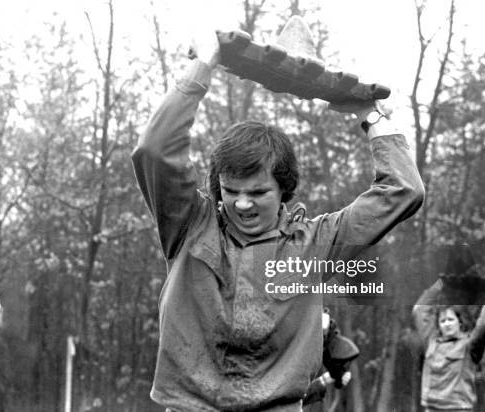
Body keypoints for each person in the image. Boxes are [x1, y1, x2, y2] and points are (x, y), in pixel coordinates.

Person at [131, 32, 424, 411]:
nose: (242, 204)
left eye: (258, 193)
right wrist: (202, 66)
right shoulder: (188, 225)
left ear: (284, 189)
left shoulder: (316, 243)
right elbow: (154, 151)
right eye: (230, 190)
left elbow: (403, 191)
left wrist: (369, 115)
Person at [413, 280, 485, 411]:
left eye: (451, 319)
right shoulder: (431, 341)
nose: (446, 324)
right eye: (442, 321)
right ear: (439, 325)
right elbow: (419, 310)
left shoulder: (469, 346)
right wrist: (441, 284)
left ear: (460, 323)